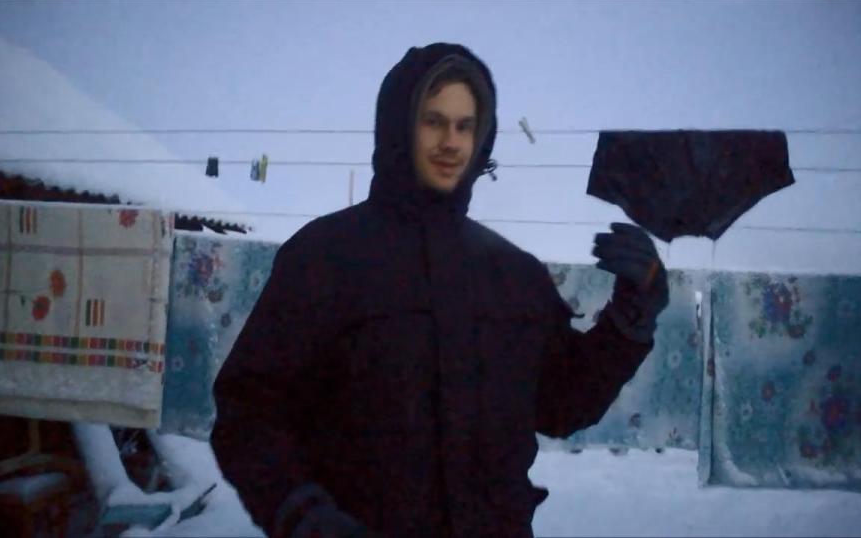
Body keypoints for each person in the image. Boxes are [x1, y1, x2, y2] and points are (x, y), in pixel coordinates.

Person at [211, 42, 669, 538]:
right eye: (433, 120)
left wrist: (632, 314)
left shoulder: (514, 275)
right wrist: (300, 513)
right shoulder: (326, 257)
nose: (450, 141)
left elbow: (562, 403)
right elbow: (249, 412)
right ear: (398, 126)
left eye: (465, 125)